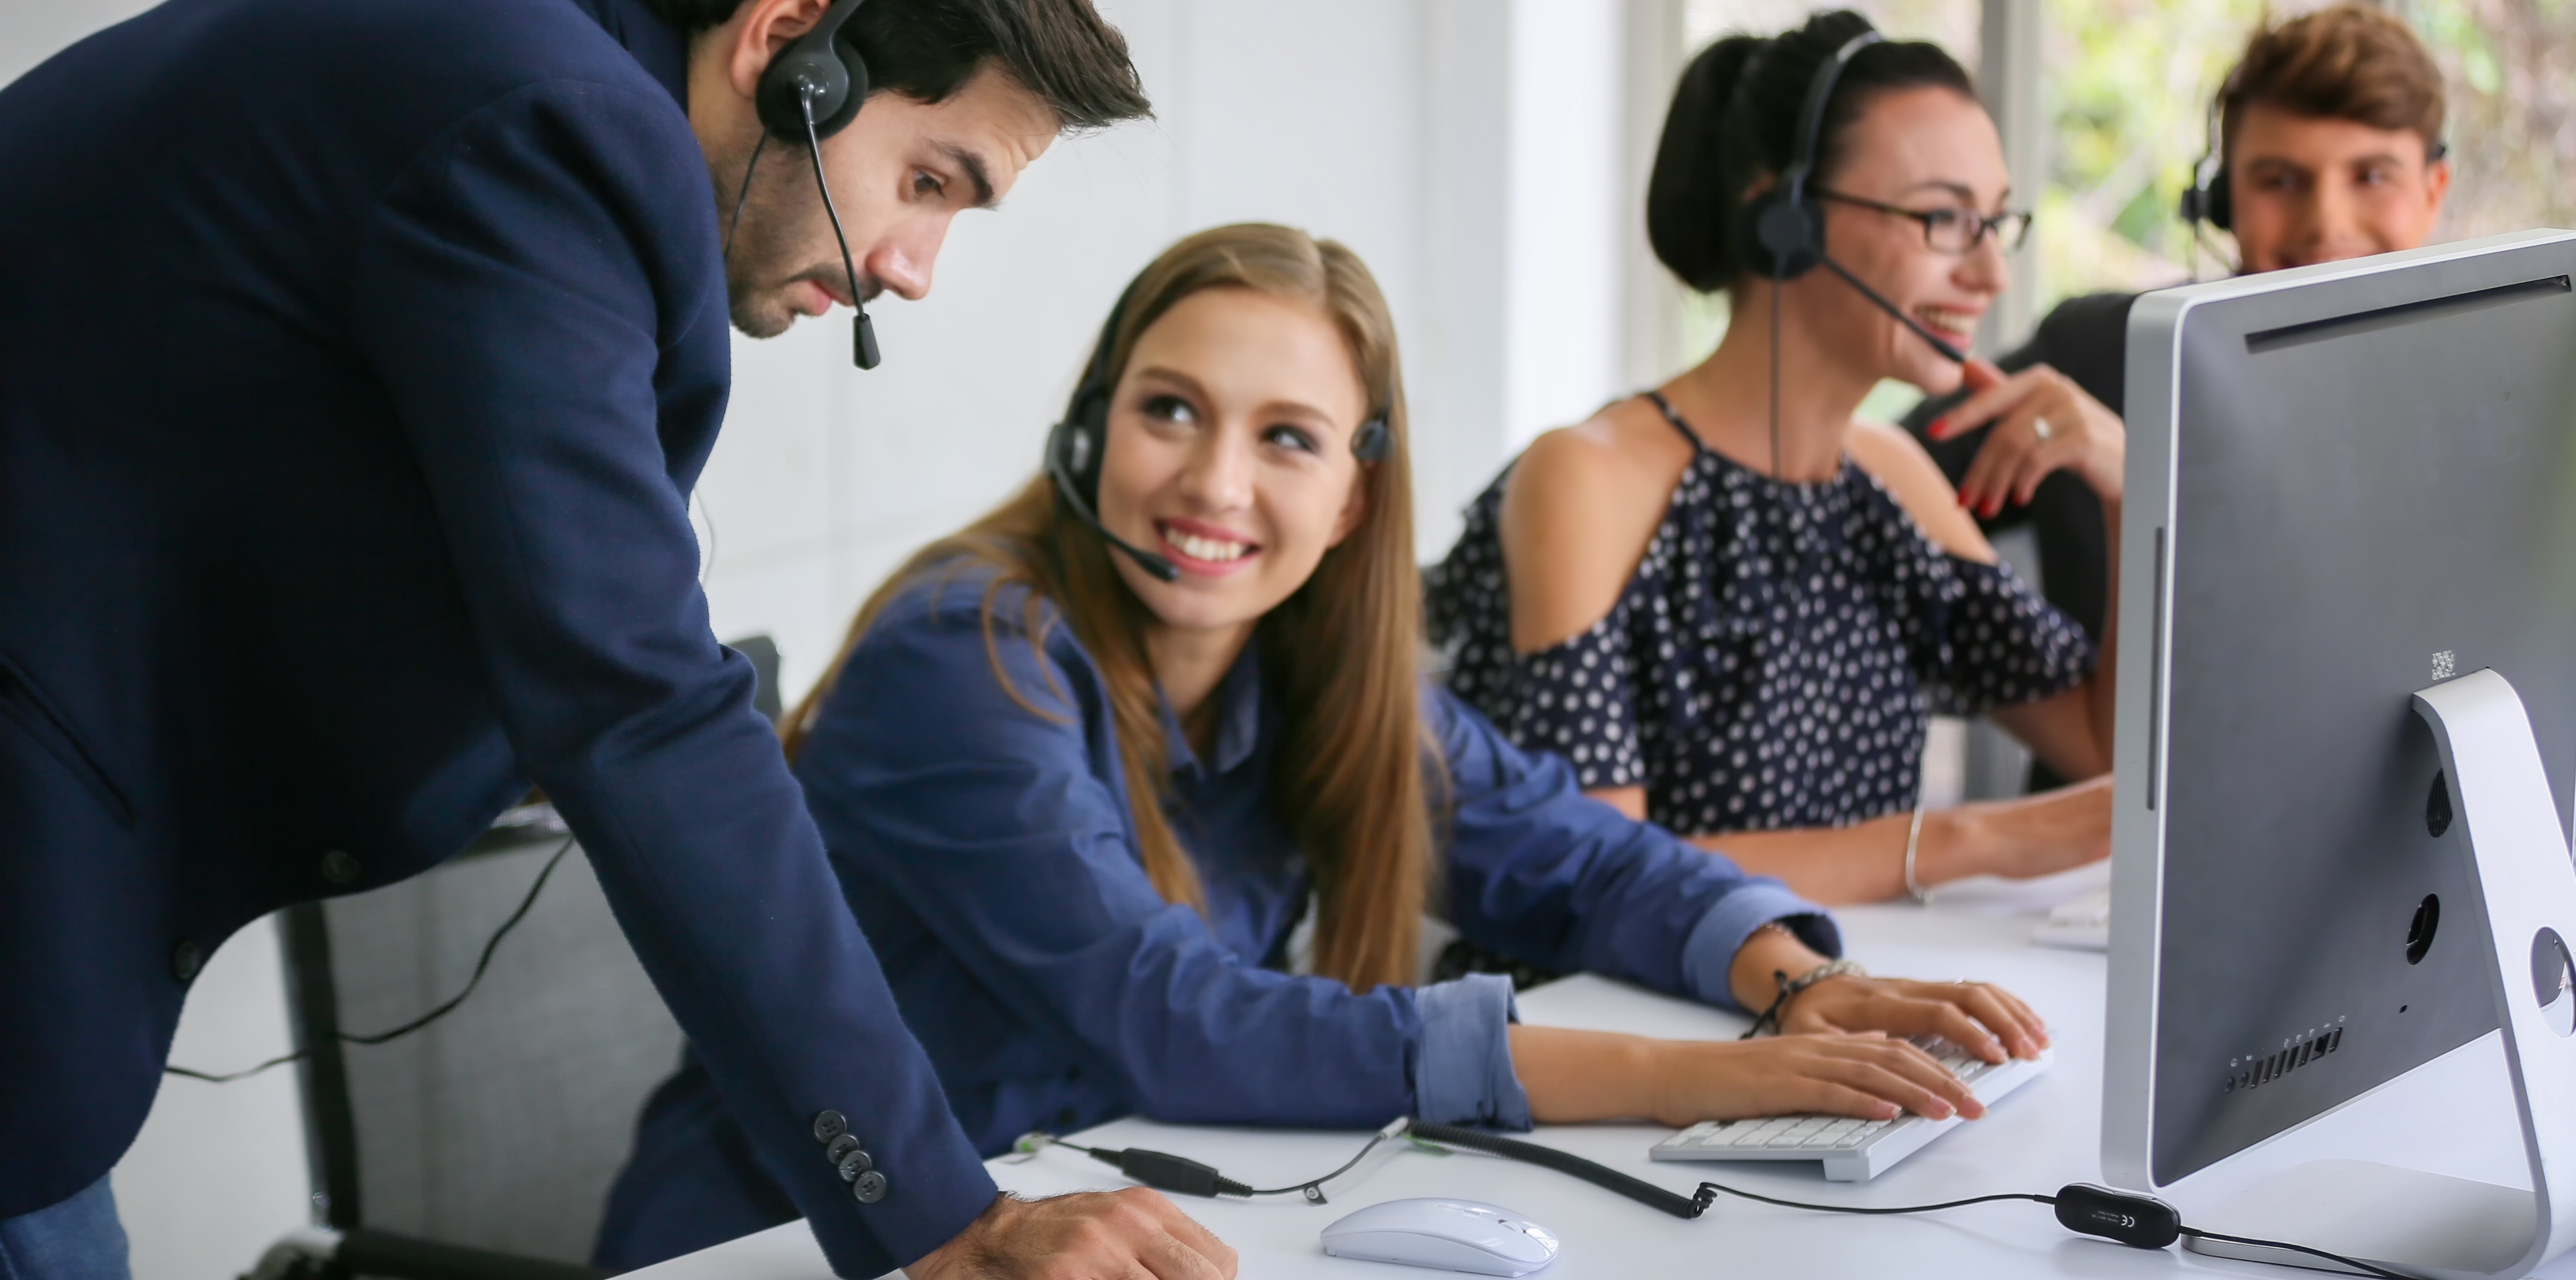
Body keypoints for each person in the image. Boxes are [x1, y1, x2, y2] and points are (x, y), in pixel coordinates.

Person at [0, 0, 1234, 1280]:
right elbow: (635, 693)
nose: (912, 263)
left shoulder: (477, 6)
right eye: (925, 179)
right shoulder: (541, 124)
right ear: (789, 44)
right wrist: (938, 1213)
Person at [592, 223, 2057, 1269]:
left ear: (1355, 500)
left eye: (1288, 436)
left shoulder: (1302, 669)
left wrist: (1796, 981)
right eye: (1170, 410)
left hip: (1106, 1215)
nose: (1214, 479)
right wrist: (1687, 1078)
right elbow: (1170, 1013)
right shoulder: (962, 653)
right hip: (801, 1244)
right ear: (1092, 431)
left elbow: (1572, 853)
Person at [1428, 11, 2123, 909]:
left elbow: (2104, 752)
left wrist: (2132, 490)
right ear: (1783, 219)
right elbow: (1605, 879)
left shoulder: (1893, 477)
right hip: (1635, 1021)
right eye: (1945, 219)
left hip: (1836, 1006)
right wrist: (1968, 837)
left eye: (1997, 221)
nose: (1991, 273)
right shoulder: (1588, 479)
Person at [1904, 0, 2451, 653]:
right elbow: (1861, 500)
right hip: (2107, 760)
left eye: (2371, 176)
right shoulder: (2103, 356)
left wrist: (2150, 494)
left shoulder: (2500, 397)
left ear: (2433, 191)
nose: (2325, 222)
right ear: (2220, 204)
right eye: (2280, 180)